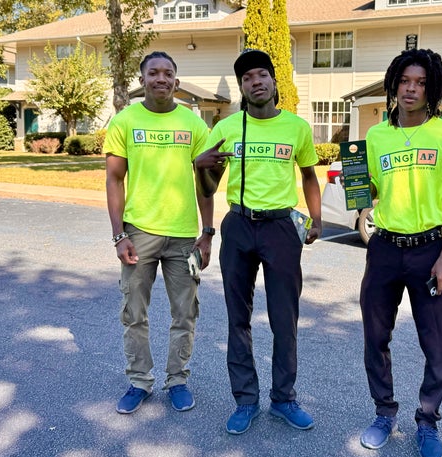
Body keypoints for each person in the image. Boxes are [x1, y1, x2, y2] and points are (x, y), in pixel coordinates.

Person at [358, 48, 442, 457]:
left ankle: (427, 420)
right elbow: (369, 188)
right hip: (385, 248)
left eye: (421, 83)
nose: (411, 89)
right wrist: (360, 201)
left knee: (436, 342)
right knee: (376, 335)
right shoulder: (377, 136)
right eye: (405, 81)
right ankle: (383, 413)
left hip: (430, 249)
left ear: (433, 89)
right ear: (394, 85)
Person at [195, 49, 322, 435]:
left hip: (282, 228)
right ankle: (245, 400)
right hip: (238, 225)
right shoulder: (227, 128)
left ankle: (283, 399)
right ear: (242, 87)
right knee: (239, 318)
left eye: (262, 74)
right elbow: (207, 182)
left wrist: (316, 218)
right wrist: (207, 226)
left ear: (273, 81)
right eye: (248, 77)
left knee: (285, 319)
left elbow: (310, 175)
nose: (256, 82)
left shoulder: (297, 128)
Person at [104, 51, 217, 415]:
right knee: (134, 312)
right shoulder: (124, 121)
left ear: (177, 83)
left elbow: (206, 183)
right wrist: (119, 234)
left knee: (185, 313)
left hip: (184, 235)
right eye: (153, 73)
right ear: (142, 80)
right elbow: (114, 179)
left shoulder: (194, 125)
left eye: (168, 73)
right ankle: (139, 381)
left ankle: (178, 380)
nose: (161, 79)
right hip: (139, 233)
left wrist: (208, 232)